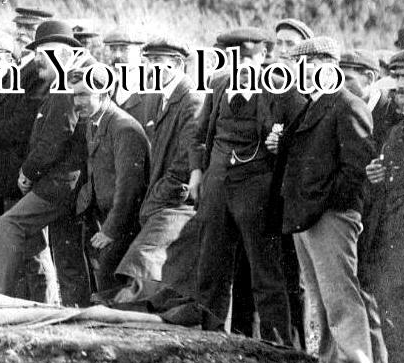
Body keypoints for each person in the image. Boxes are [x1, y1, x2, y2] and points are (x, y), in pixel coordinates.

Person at [174, 27, 302, 344]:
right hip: (217, 182)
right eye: (234, 59)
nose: (241, 66)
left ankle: (277, 344)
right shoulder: (217, 85)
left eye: (249, 58)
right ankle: (210, 338)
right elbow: (199, 133)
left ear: (263, 57)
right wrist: (196, 173)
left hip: (258, 186)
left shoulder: (282, 90)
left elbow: (303, 135)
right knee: (211, 263)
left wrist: (280, 141)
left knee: (264, 269)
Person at [274, 38, 377, 363]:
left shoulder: (346, 104)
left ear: (322, 65)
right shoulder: (314, 104)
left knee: (340, 296)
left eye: (299, 65)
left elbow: (356, 168)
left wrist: (325, 206)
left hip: (329, 217)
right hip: (309, 216)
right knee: (321, 296)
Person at [0, 20, 87, 303]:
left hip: (58, 185)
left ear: (64, 55)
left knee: (9, 225)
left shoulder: (65, 89)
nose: (39, 57)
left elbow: (55, 137)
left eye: (45, 52)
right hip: (58, 184)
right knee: (54, 252)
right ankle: (59, 308)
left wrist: (27, 173)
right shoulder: (58, 87)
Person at [111, 38, 204, 305]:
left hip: (177, 203)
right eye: (149, 61)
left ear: (177, 64)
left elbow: (188, 159)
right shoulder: (159, 97)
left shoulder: (191, 99)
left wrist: (159, 195)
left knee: (143, 266)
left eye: (158, 63)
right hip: (160, 199)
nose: (151, 68)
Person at [0, 27, 56, 301]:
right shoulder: (3, 83)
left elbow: (23, 125)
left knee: (33, 251)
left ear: (12, 58)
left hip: (22, 178)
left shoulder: (30, 77)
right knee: (20, 251)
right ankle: (27, 304)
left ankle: (46, 305)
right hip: (5, 179)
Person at [71, 67, 150, 297]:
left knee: (109, 280)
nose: (78, 102)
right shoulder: (94, 121)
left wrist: (110, 230)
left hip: (124, 226)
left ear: (104, 95)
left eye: (85, 94)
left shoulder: (124, 128)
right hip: (103, 218)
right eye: (75, 95)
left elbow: (130, 188)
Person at [366, 49, 404, 363]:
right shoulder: (397, 132)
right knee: (395, 325)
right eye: (397, 78)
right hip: (393, 247)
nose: (399, 86)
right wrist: (378, 176)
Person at [103, 28, 148, 122]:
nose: (117, 55)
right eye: (113, 49)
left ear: (140, 52)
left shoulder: (151, 87)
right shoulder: (109, 88)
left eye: (124, 49)